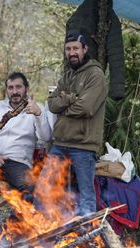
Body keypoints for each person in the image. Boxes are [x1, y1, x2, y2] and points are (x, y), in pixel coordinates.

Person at [0, 72, 52, 227]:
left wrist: (38, 114)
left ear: (26, 89)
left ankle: (14, 224)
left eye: (18, 87)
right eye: (10, 87)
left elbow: (46, 137)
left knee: (30, 185)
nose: (14, 91)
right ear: (7, 90)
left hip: (18, 161)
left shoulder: (36, 108)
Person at [46, 32, 108, 216]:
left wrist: (63, 104)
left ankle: (89, 234)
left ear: (85, 49)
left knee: (85, 194)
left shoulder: (95, 75)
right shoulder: (67, 74)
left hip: (83, 145)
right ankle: (43, 230)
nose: (72, 52)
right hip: (60, 143)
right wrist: (72, 99)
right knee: (45, 187)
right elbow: (51, 103)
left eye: (75, 48)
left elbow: (86, 108)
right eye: (68, 49)